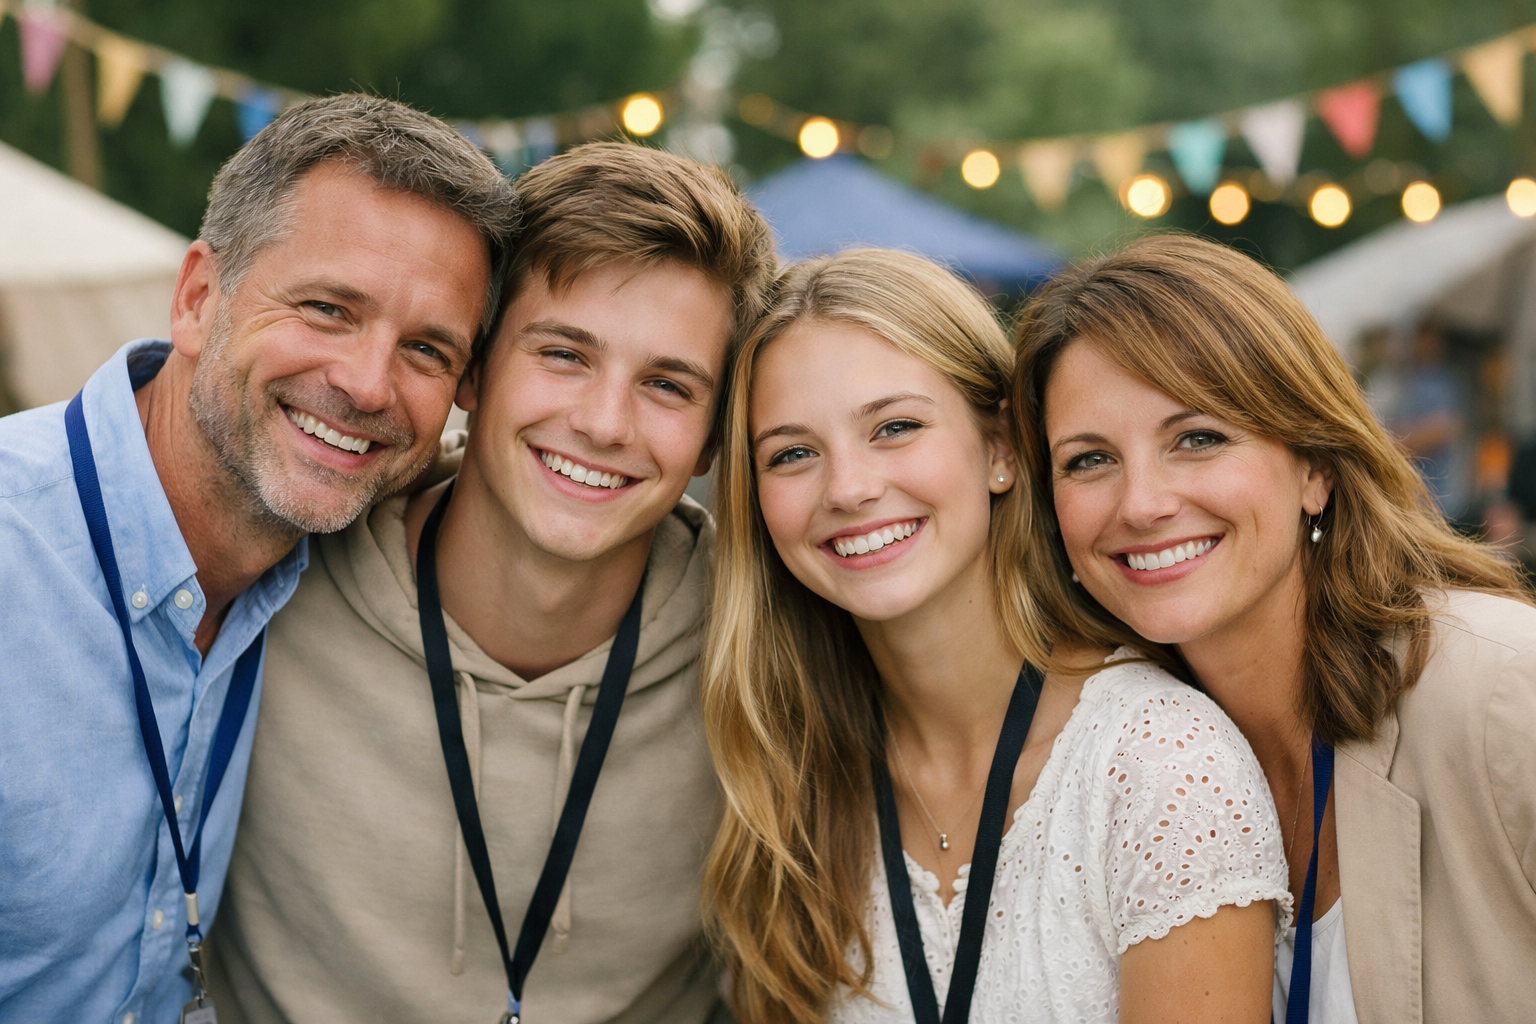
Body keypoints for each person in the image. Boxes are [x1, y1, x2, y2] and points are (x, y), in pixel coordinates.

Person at [203, 141, 776, 1024]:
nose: (603, 422)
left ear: (711, 438)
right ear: (473, 368)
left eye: (667, 384)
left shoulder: (764, 647)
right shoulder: (271, 581)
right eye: (563, 355)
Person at [0, 95, 516, 1022]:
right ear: (200, 297)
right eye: (327, 308)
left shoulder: (350, 551)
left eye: (427, 350)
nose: (366, 384)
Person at [702, 248, 1289, 1024]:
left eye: (896, 426)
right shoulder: (787, 778)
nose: (848, 488)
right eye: (794, 454)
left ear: (1004, 449)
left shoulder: (1158, 765)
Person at [1011, 234, 1536, 1024]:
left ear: (1315, 467)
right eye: (1089, 460)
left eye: (1198, 438)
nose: (1142, 503)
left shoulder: (1502, 690)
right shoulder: (1124, 752)